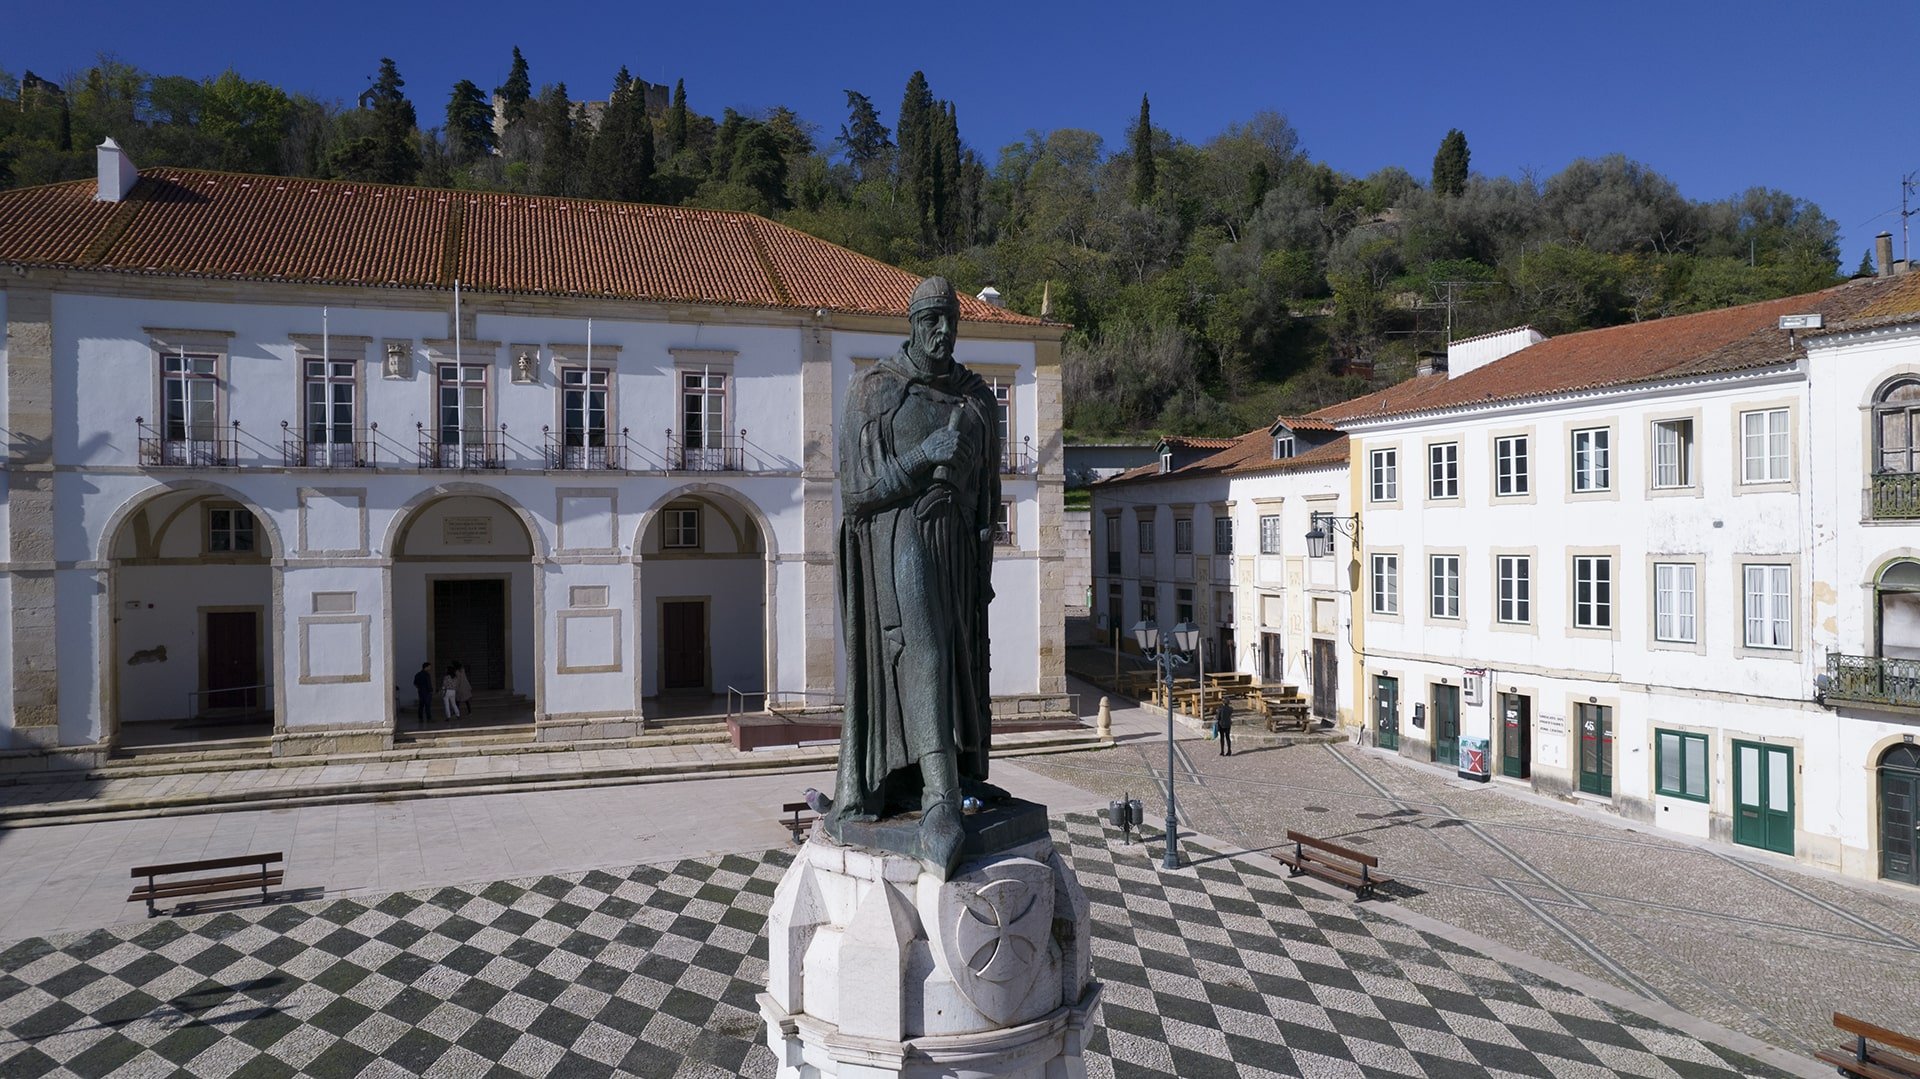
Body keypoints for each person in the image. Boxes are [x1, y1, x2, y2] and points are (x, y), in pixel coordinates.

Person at [825, 276, 1003, 879]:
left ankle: (939, 776)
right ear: (910, 321)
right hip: (897, 539)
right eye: (930, 318)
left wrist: (982, 556)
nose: (943, 331)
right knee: (922, 649)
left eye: (950, 319)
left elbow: (988, 495)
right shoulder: (875, 391)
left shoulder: (978, 400)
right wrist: (923, 456)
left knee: (957, 662)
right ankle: (940, 802)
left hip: (956, 545)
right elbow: (856, 496)